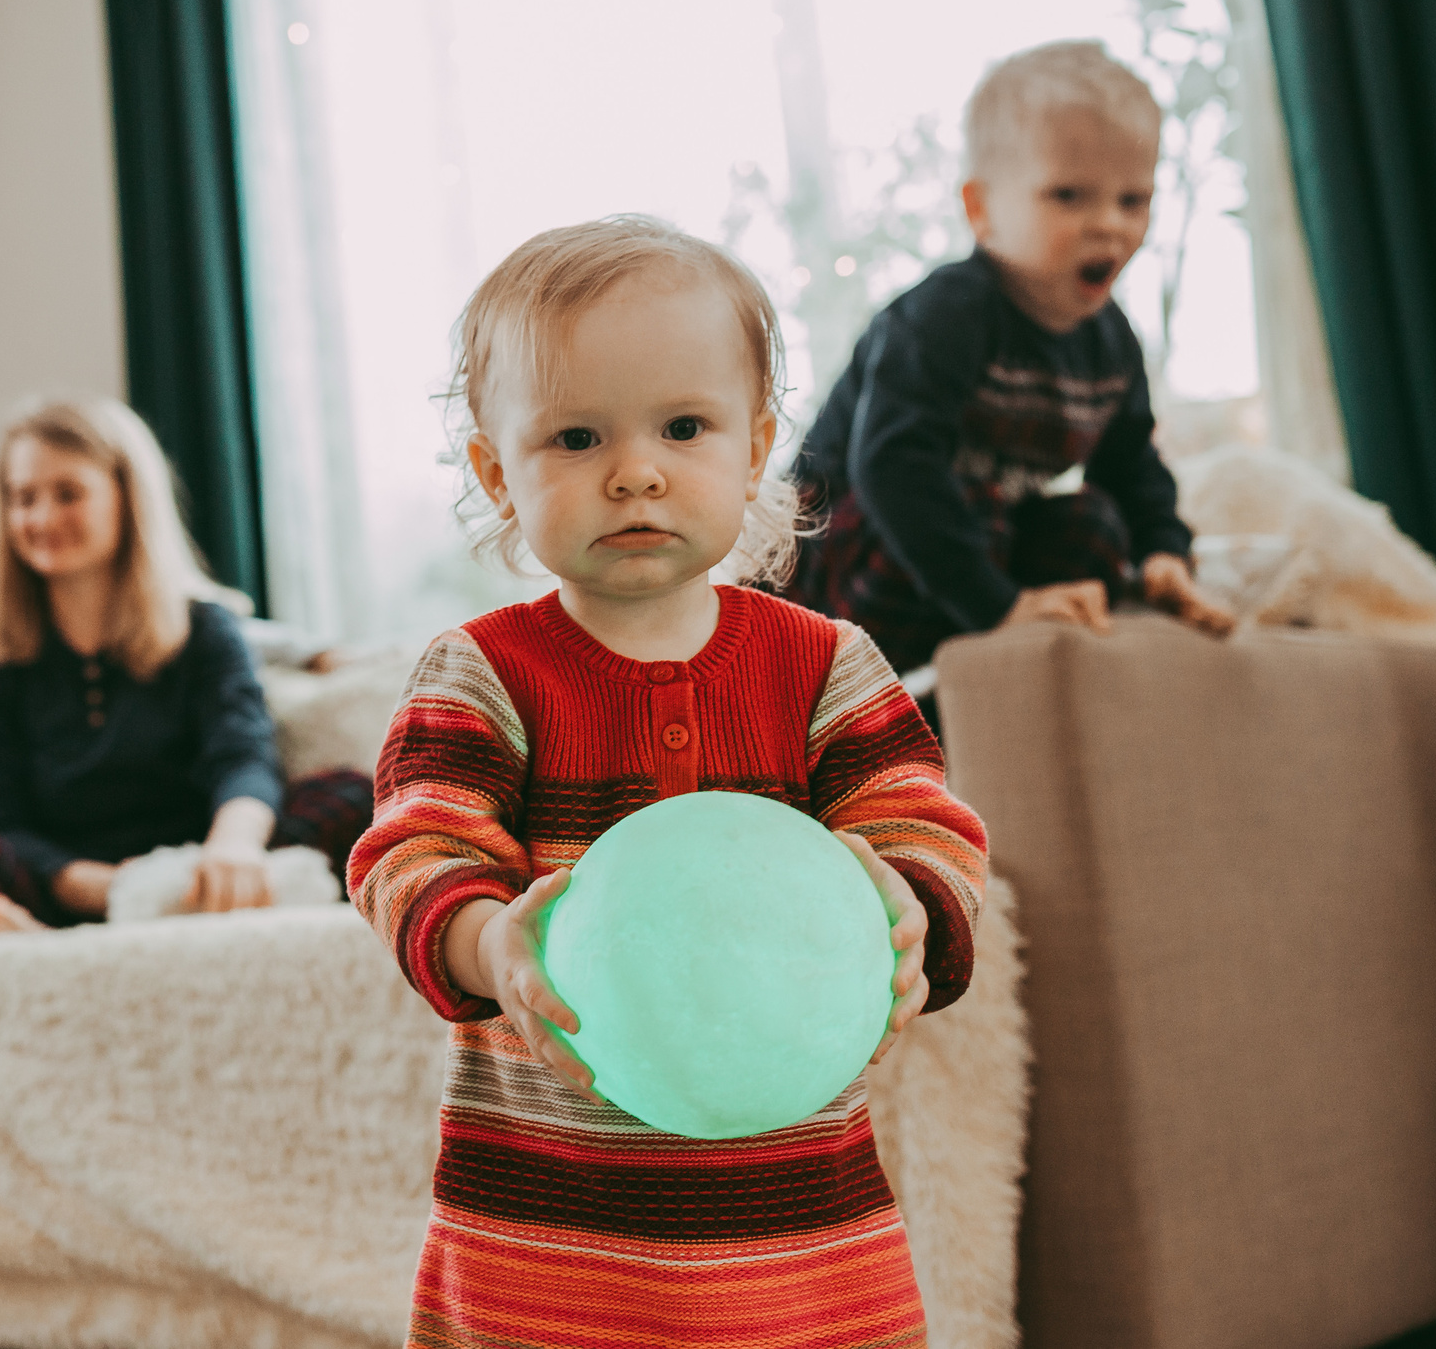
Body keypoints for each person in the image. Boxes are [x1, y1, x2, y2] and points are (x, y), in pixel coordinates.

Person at [348, 216, 990, 1347]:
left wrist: (907, 906)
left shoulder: (825, 664)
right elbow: (412, 849)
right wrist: (490, 942)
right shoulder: (481, 673)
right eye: (576, 437)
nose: (635, 471)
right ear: (499, 475)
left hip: (795, 1226)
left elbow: (923, 822)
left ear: (753, 450)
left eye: (682, 427)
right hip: (551, 1235)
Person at [0, 397, 373, 939]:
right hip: (57, 887)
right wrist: (112, 888)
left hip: (202, 867)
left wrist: (232, 848)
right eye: (24, 498)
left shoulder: (206, 631)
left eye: (68, 494)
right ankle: (19, 931)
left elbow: (243, 757)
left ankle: (208, 902)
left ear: (127, 498)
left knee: (357, 795)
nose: (42, 518)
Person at [788, 39, 1234, 675]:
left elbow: (1132, 467)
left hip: (961, 553)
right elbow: (892, 466)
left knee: (1095, 524)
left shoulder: (1111, 345)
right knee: (972, 506)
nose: (1109, 224)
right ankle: (932, 667)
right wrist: (997, 605)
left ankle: (1013, 645)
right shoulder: (947, 314)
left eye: (1133, 200)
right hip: (833, 563)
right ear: (982, 211)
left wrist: (1164, 554)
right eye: (1068, 196)